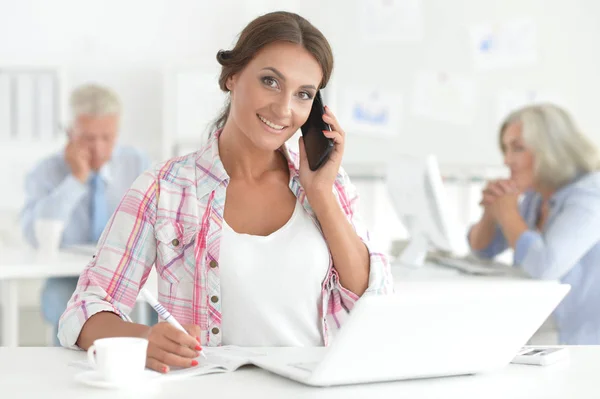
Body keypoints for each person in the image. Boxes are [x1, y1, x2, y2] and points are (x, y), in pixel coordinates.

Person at [58, 11, 393, 373]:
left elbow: (371, 301)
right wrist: (141, 339)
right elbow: (85, 308)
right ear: (231, 76)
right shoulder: (165, 189)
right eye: (270, 81)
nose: (284, 108)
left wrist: (321, 195)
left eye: (304, 94)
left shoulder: (329, 184)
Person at [21, 84, 150, 345]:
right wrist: (76, 179)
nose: (99, 148)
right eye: (88, 138)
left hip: (122, 274)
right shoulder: (46, 172)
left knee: (156, 311)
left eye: (107, 137)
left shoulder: (136, 163)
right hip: (68, 278)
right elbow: (35, 237)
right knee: (62, 305)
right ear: (70, 133)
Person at [468, 103, 600, 344]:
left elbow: (545, 266)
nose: (507, 160)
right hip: (547, 326)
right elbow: (483, 250)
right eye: (505, 149)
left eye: (517, 149)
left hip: (583, 339)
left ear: (551, 149)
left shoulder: (592, 195)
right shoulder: (538, 194)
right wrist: (492, 210)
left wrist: (507, 212)